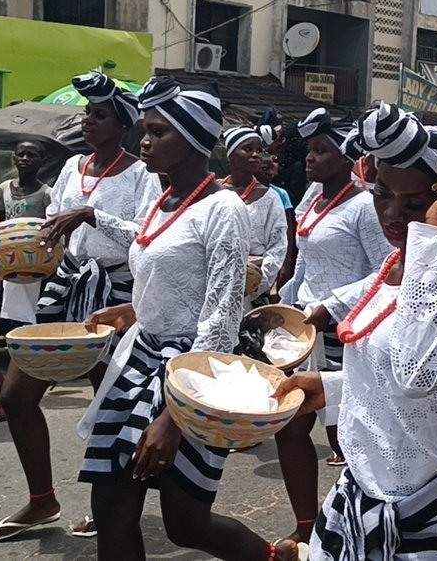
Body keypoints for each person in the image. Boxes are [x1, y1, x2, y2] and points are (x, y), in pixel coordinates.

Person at [276, 102, 437, 560]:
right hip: (363, 496)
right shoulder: (394, 267)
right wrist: (330, 387)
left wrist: (434, 230)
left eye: (417, 203)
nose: (392, 215)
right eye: (381, 194)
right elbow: (395, 374)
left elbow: (416, 374)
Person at [77, 76, 302, 560]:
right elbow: (159, 260)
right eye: (147, 130)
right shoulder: (162, 203)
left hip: (192, 371)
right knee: (112, 504)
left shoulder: (224, 210)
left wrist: (176, 416)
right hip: (138, 363)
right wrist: (134, 307)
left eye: (160, 133)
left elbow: (220, 315)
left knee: (186, 524)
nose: (145, 140)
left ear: (196, 141)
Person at [0, 71, 164, 543]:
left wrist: (92, 214)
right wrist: (27, 252)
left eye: (99, 115)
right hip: (66, 287)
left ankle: (113, 508)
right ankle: (42, 499)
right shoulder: (72, 168)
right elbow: (54, 226)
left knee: (115, 407)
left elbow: (148, 234)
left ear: (122, 125)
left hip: (117, 293)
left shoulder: (144, 173)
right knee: (15, 396)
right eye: (87, 113)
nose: (88, 121)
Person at [274, 107, 393, 544]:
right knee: (290, 423)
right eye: (309, 150)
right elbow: (304, 255)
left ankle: (367, 526)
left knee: (350, 439)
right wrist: (285, 298)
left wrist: (332, 304)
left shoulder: (365, 206)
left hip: (348, 328)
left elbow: (387, 267)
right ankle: (307, 526)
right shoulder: (312, 198)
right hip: (305, 329)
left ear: (346, 159)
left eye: (321, 151)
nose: (311, 159)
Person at [0, 141, 54, 340]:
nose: (25, 159)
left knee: (31, 309)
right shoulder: (3, 189)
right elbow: (0, 226)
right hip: (9, 260)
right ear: (14, 158)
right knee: (8, 304)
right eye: (21, 154)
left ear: (42, 161)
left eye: (31, 155)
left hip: (34, 261)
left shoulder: (47, 194)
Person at [221, 128, 288, 308]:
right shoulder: (213, 192)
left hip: (251, 287)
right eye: (248, 149)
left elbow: (278, 245)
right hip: (214, 280)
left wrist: (254, 285)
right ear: (231, 155)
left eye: (259, 150)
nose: (255, 155)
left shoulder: (270, 197)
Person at [257, 149, 297, 288]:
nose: (271, 173)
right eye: (264, 169)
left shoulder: (279, 194)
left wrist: (286, 264)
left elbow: (288, 233)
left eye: (271, 169)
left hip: (272, 257)